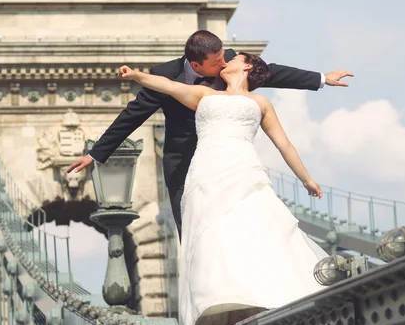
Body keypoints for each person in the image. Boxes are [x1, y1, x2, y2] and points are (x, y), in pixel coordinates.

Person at [115, 52, 330, 325]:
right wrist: (136, 75)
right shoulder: (204, 95)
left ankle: (255, 298)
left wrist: (306, 179)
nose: (225, 60)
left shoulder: (261, 103)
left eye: (235, 58)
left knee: (252, 232)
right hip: (204, 174)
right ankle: (222, 309)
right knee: (212, 238)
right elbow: (167, 86)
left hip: (243, 170)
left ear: (248, 66)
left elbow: (284, 143)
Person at [67, 30, 353, 239]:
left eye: (224, 57)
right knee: (188, 225)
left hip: (226, 158)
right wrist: (96, 153)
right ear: (196, 65)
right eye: (216, 62)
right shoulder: (167, 74)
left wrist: (322, 79)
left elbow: (273, 73)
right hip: (183, 156)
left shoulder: (228, 63)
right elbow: (134, 113)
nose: (224, 64)